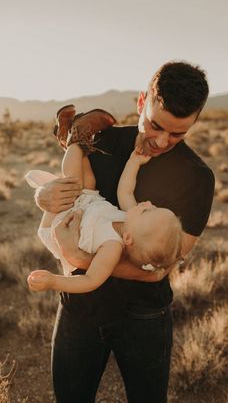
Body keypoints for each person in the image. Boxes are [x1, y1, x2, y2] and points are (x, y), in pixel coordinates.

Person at [34, 61, 215, 403]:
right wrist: (43, 196)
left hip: (144, 316)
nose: (162, 141)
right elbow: (67, 194)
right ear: (141, 101)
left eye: (178, 134)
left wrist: (78, 257)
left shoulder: (197, 178)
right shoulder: (97, 139)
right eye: (155, 125)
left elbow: (160, 269)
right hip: (79, 308)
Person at [26, 138, 182, 293]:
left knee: (73, 180)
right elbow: (125, 190)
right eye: (154, 206)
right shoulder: (130, 219)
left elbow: (90, 280)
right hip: (86, 203)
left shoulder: (112, 247)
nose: (147, 203)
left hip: (61, 225)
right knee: (89, 180)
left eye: (147, 211)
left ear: (128, 238)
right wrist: (134, 162)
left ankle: (73, 140)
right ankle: (82, 144)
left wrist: (53, 282)